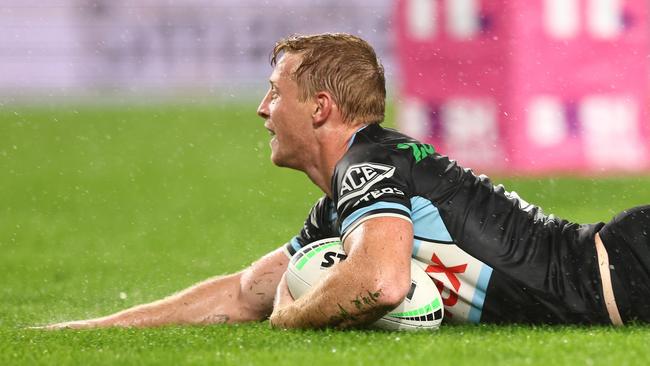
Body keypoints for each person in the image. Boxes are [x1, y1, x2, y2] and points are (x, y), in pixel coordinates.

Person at [44, 33, 650, 330]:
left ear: (320, 107)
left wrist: (292, 320)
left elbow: (382, 282)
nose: (261, 108)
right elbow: (242, 293)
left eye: (275, 93)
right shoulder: (349, 196)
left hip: (628, 266)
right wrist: (85, 332)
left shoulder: (370, 168)